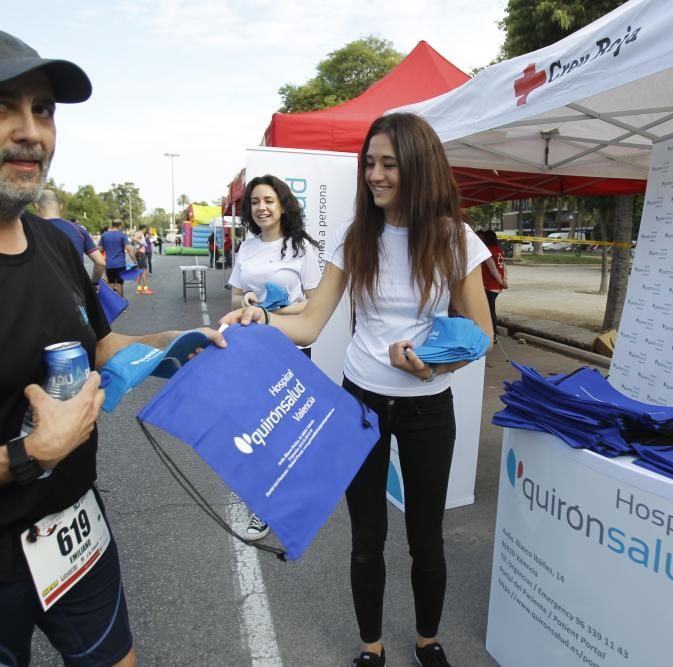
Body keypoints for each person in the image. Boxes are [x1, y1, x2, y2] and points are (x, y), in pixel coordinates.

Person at [0, 25, 223, 667]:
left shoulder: (54, 244)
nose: (31, 131)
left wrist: (173, 345)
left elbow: (95, 345)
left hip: (76, 535)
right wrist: (25, 455)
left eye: (42, 109)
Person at [223, 113, 493, 667]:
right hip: (360, 403)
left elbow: (481, 335)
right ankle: (372, 648)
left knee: (426, 538)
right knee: (366, 539)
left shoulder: (454, 238)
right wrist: (260, 321)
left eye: (388, 164)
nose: (375, 175)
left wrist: (435, 368)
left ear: (418, 166)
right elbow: (309, 323)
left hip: (428, 410)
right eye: (369, 163)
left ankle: (427, 641)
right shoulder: (357, 237)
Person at [229, 174, 322, 541]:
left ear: (283, 204)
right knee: (258, 430)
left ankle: (292, 500)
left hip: (291, 348)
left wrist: (283, 309)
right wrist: (249, 302)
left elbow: (316, 303)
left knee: (288, 431)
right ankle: (262, 509)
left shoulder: (302, 249)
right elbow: (235, 298)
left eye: (268, 200)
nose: (262, 207)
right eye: (255, 202)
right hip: (253, 349)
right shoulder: (247, 248)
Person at [37, 188, 106, 287]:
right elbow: (100, 263)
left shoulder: (27, 229)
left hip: (42, 292)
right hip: (76, 291)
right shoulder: (78, 229)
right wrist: (94, 283)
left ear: (36, 206)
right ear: (60, 206)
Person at [477, 229, 508, 343]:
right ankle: (491, 333)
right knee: (490, 310)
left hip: (490, 286)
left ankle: (492, 335)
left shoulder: (487, 251)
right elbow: (503, 268)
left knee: (490, 311)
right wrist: (504, 281)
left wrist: (501, 281)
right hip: (496, 286)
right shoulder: (498, 250)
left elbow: (493, 270)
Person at [100, 220, 133, 297]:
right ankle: (121, 306)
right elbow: (129, 249)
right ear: (120, 225)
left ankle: (112, 305)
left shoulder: (104, 235)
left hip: (109, 265)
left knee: (110, 284)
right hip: (120, 264)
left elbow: (100, 249)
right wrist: (134, 260)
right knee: (119, 284)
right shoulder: (122, 235)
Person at [131, 224, 153, 294]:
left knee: (139, 271)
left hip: (139, 253)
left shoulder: (140, 234)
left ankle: (139, 288)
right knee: (144, 271)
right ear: (144, 228)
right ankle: (145, 288)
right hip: (140, 254)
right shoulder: (139, 233)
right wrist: (141, 244)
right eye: (146, 229)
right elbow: (134, 238)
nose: (146, 230)